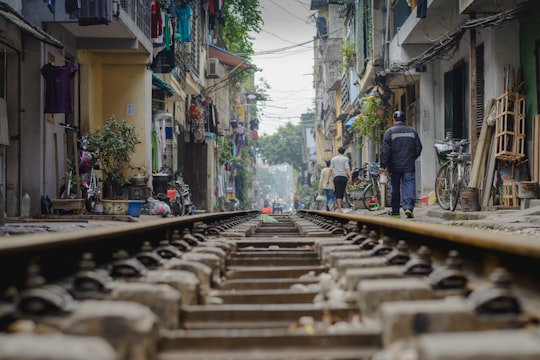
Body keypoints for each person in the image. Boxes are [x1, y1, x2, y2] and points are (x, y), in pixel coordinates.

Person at [379, 111, 423, 218]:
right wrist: (412, 157)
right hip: (409, 165)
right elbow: (418, 147)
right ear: (405, 120)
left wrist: (382, 165)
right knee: (409, 185)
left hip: (394, 166)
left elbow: (386, 151)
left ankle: (395, 211)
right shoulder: (412, 131)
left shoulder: (389, 132)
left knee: (395, 188)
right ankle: (408, 208)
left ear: (393, 120)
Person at [330, 146, 352, 213]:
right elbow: (347, 168)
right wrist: (350, 177)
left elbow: (330, 169)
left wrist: (328, 179)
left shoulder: (333, 159)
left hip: (336, 177)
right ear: (344, 152)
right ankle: (340, 207)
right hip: (343, 177)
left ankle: (339, 208)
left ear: (338, 151)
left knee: (337, 192)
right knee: (342, 192)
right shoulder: (346, 159)